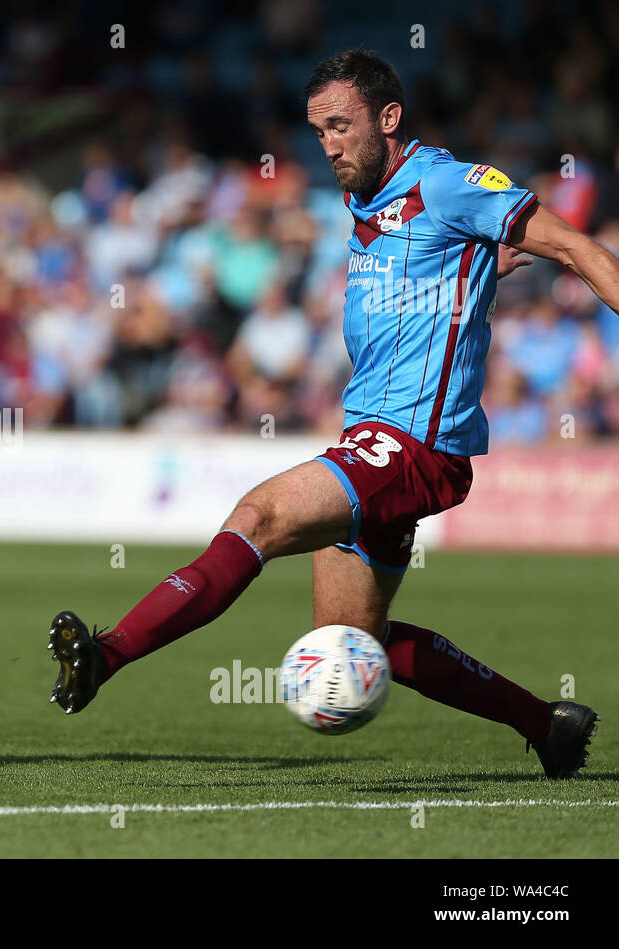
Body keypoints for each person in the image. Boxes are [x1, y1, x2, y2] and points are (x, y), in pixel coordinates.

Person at [48, 50, 617, 779]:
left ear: (388, 118)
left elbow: (572, 244)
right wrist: (473, 268)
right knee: (354, 640)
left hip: (415, 446)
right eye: (318, 131)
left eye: (342, 126)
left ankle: (108, 653)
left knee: (256, 517)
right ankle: (549, 724)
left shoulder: (446, 183)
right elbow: (437, 263)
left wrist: (489, 254)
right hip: (370, 439)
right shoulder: (366, 200)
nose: (329, 145)